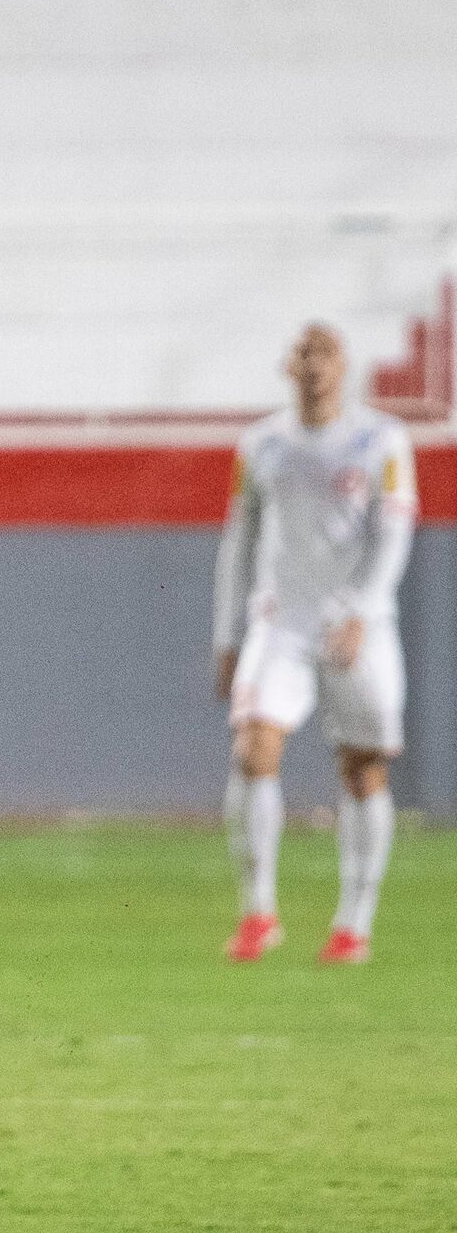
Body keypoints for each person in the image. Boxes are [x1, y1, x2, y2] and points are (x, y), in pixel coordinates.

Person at [214, 322, 415, 966]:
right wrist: (227, 633)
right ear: (287, 366)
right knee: (254, 745)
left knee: (362, 768)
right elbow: (238, 541)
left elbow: (393, 535)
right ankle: (259, 913)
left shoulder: (381, 440)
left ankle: (353, 923)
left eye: (325, 353)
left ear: (345, 366)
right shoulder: (261, 444)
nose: (314, 365)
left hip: (359, 626)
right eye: (304, 352)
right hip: (280, 624)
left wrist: (362, 608)